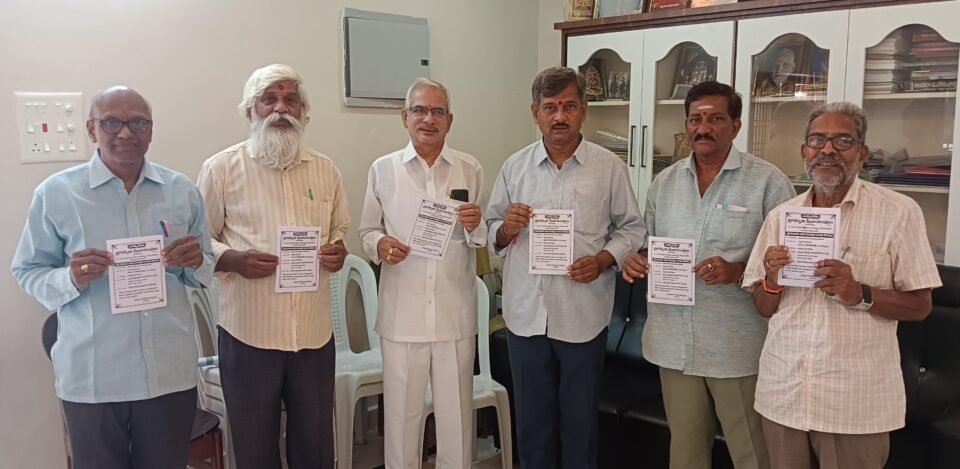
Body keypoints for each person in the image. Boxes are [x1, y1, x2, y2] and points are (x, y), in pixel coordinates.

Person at [11, 86, 213, 469]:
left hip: (168, 376)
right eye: (111, 123)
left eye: (138, 123)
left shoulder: (181, 191)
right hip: (94, 379)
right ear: (91, 129)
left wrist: (196, 261)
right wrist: (71, 278)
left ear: (151, 130)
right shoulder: (56, 194)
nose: (125, 133)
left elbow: (204, 268)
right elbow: (27, 270)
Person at [744, 102, 942, 469]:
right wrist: (771, 281)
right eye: (817, 140)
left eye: (843, 141)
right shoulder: (781, 216)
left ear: (862, 154)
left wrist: (859, 293)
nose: (827, 150)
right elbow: (763, 306)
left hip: (853, 402)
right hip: (784, 392)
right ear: (804, 152)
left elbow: (920, 306)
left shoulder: (899, 212)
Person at [622, 81, 794, 469]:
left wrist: (738, 271)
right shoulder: (665, 183)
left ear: (735, 125)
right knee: (686, 454)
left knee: (752, 454)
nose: (703, 128)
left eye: (716, 119)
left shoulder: (767, 182)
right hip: (673, 343)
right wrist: (638, 260)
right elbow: (649, 245)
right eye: (695, 119)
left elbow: (785, 262)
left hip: (735, 347)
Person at [485, 66, 646, 469]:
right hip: (526, 317)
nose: (560, 116)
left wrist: (604, 260)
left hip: (583, 316)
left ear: (583, 111)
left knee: (580, 425)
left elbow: (632, 228)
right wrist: (506, 228)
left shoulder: (608, 167)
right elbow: (491, 232)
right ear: (535, 112)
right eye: (550, 107)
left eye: (569, 106)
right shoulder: (514, 167)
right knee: (532, 426)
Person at [196, 64, 350, 469]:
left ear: (303, 111)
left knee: (315, 447)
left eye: (290, 100)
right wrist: (233, 260)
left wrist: (338, 250)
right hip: (249, 335)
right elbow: (198, 240)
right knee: (254, 449)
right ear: (251, 110)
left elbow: (339, 229)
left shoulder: (325, 169)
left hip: (313, 336)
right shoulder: (221, 168)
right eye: (269, 99)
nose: (281, 108)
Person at [359, 78, 486, 469]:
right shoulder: (383, 170)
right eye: (419, 110)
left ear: (450, 120)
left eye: (437, 111)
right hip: (403, 317)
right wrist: (380, 244)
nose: (428, 119)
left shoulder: (470, 168)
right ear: (405, 116)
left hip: (453, 316)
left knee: (457, 423)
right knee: (401, 424)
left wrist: (474, 224)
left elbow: (482, 236)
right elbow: (366, 231)